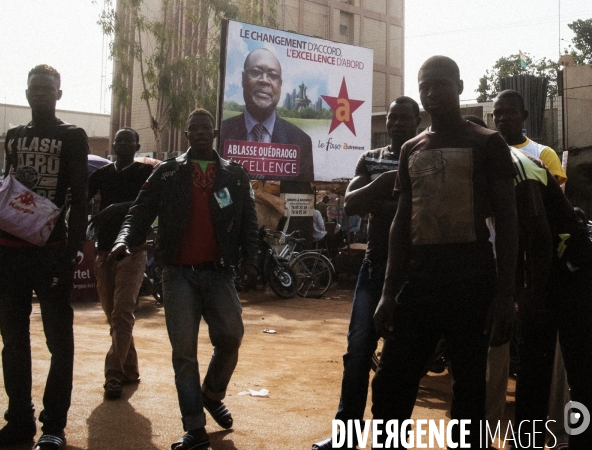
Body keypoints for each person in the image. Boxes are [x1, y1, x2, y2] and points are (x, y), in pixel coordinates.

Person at [372, 56, 518, 449]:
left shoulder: (488, 143)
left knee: (469, 390)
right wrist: (388, 292)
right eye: (425, 86)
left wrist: (505, 295)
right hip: (420, 283)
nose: (432, 93)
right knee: (390, 383)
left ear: (459, 86)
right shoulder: (411, 148)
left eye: (440, 84)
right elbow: (402, 225)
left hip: (473, 282)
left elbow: (507, 222)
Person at [110, 109, 259, 450]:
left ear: (215, 132)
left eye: (206, 128)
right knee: (184, 354)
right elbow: (139, 211)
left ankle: (212, 393)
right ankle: (194, 426)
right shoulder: (167, 172)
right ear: (187, 133)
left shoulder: (235, 175)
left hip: (218, 272)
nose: (200, 133)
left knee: (231, 336)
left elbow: (249, 222)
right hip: (176, 275)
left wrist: (251, 260)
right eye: (194, 128)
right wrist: (124, 239)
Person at [311, 96, 421, 450]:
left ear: (418, 121)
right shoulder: (371, 159)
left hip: (415, 273)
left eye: (406, 117)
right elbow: (352, 202)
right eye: (393, 117)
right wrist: (388, 180)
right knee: (357, 352)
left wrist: (382, 200)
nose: (398, 123)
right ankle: (347, 436)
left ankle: (392, 439)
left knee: (400, 361)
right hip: (374, 268)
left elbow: (420, 208)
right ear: (386, 121)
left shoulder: (426, 155)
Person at [0, 65, 88, 450]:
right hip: (10, 254)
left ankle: (54, 426)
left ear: (58, 94)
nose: (41, 94)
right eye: (35, 88)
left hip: (51, 253)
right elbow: (5, 195)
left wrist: (72, 250)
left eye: (48, 89)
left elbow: (80, 200)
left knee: (58, 342)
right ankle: (18, 422)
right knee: (13, 342)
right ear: (27, 93)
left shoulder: (73, 136)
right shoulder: (14, 137)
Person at [491, 103, 592, 450]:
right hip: (543, 271)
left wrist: (528, 294)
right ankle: (527, 443)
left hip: (571, 274)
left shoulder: (520, 166)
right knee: (534, 369)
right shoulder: (492, 169)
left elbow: (540, 238)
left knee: (579, 373)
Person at [87, 128, 154, 400]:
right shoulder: (100, 175)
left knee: (122, 312)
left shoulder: (145, 173)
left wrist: (114, 208)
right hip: (103, 253)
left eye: (129, 140)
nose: (124, 144)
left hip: (133, 252)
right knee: (113, 314)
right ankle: (130, 368)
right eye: (119, 141)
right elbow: (79, 198)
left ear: (138, 146)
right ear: (113, 145)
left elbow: (150, 204)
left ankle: (112, 375)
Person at [220, 48, 315, 181]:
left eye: (272, 75)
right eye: (256, 72)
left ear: (280, 85)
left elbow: (302, 196)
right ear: (243, 79)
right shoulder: (221, 134)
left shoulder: (301, 142)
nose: (264, 80)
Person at [493, 89, 567, 183]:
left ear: (524, 115)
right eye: (498, 113)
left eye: (511, 112)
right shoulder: (488, 153)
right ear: (492, 117)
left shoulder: (543, 154)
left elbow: (553, 196)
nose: (503, 118)